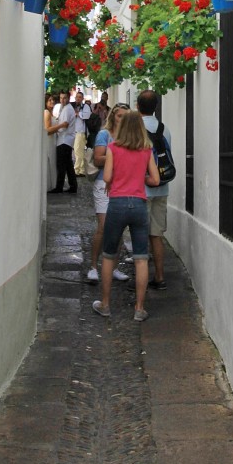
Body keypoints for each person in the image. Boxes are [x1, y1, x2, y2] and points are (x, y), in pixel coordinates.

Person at [93, 110, 159, 322]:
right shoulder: (146, 150)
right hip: (139, 204)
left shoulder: (113, 148)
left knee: (109, 255)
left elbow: (109, 176)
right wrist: (141, 178)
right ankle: (139, 308)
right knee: (141, 258)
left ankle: (105, 304)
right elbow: (155, 180)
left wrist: (118, 181)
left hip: (118, 204)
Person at [88, 103, 131, 284]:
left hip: (122, 184)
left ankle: (114, 267)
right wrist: (119, 155)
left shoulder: (129, 136)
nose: (122, 119)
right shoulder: (104, 135)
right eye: (120, 115)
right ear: (113, 116)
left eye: (126, 116)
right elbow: (98, 159)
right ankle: (93, 267)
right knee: (104, 227)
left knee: (119, 228)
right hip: (103, 184)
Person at [137, 89, 171, 290]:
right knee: (156, 235)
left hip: (142, 188)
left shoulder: (136, 128)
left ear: (138, 107)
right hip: (162, 188)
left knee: (140, 235)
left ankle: (140, 279)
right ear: (156, 107)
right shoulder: (165, 129)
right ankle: (159, 276)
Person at [51, 91, 77, 193]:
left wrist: (55, 129)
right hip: (66, 139)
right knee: (68, 164)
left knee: (62, 164)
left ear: (68, 98)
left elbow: (65, 124)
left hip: (64, 139)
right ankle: (72, 185)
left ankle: (60, 186)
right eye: (61, 98)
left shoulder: (67, 109)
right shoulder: (66, 108)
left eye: (64, 98)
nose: (62, 100)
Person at [73, 91, 92, 176]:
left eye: (80, 97)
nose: (78, 98)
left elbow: (87, 116)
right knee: (79, 151)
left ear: (82, 98)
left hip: (81, 132)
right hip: (74, 131)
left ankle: (76, 170)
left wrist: (78, 113)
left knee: (77, 151)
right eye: (77, 97)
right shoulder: (73, 106)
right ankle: (81, 170)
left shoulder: (85, 107)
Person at [43, 93, 60, 190]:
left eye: (52, 99)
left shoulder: (50, 112)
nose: (52, 101)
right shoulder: (47, 113)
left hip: (52, 140)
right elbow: (48, 130)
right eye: (49, 100)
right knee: (50, 160)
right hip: (49, 140)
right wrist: (61, 126)